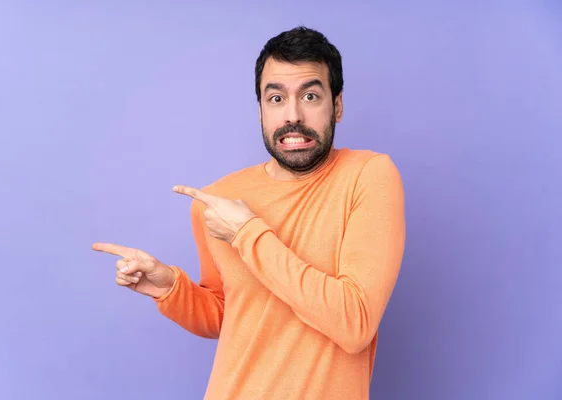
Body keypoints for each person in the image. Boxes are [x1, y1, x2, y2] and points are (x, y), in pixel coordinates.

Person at [92, 26, 406, 400]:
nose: (293, 115)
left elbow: (354, 323)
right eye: (275, 98)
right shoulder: (218, 201)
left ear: (336, 105)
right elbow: (230, 316)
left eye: (310, 95)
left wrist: (248, 234)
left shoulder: (368, 175)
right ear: (260, 107)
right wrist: (170, 289)